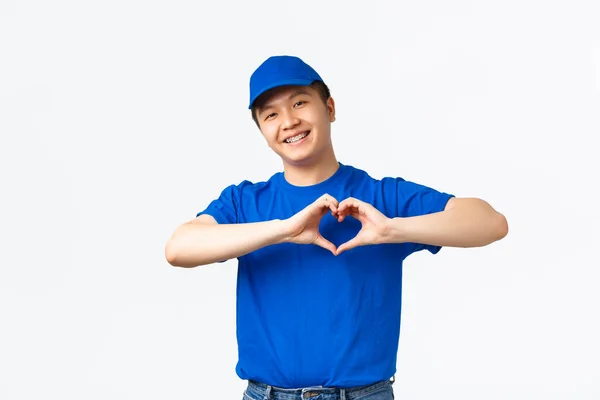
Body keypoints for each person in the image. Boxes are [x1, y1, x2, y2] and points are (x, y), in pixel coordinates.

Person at [165, 55, 508, 400]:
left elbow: (490, 223)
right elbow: (179, 248)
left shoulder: (379, 198)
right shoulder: (245, 203)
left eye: (299, 102)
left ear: (329, 108)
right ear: (263, 132)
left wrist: (392, 231)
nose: (288, 121)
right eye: (271, 114)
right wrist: (282, 230)